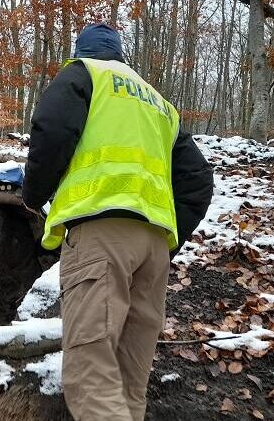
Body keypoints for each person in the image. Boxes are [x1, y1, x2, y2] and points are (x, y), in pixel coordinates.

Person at [22, 23, 213, 421]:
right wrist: (166, 239)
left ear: (82, 50)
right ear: (121, 54)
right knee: (128, 381)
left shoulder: (83, 73)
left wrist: (33, 194)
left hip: (99, 235)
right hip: (154, 248)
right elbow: (198, 180)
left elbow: (52, 132)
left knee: (90, 375)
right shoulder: (159, 103)